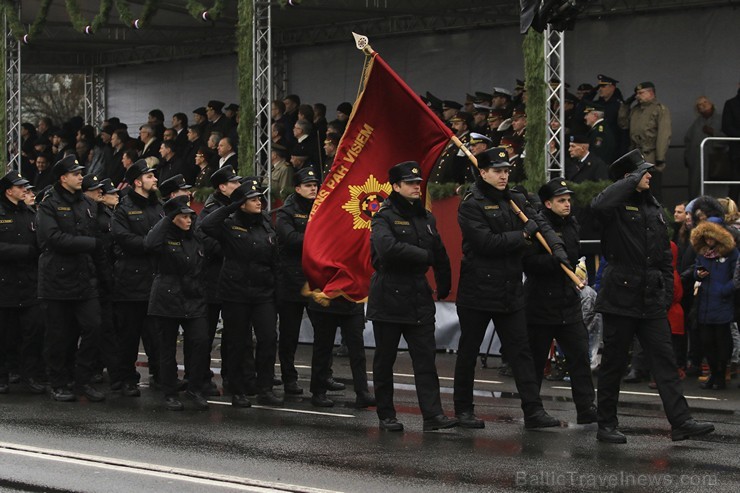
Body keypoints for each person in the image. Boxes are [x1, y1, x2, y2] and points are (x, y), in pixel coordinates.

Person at [590, 149, 715, 443]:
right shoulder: (615, 206)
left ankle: (681, 422)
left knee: (665, 362)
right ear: (628, 178)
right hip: (620, 295)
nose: (649, 175)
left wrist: (666, 291)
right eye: (642, 172)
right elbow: (598, 206)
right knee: (614, 363)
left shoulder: (653, 207)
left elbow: (662, 254)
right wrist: (630, 180)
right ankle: (606, 423)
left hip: (651, 298)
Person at [454, 148, 565, 430]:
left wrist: (557, 248)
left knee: (521, 352)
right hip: (478, 289)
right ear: (483, 172)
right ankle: (463, 409)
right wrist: (522, 235)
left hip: (510, 289)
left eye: (506, 170)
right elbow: (486, 243)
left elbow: (540, 224)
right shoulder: (471, 204)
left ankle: (533, 410)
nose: (504, 175)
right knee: (468, 351)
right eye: (497, 170)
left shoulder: (515, 199)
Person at [367, 161, 457, 432]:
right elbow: (386, 249)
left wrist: (444, 284)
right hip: (390, 293)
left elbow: (439, 252)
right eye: (410, 183)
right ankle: (386, 415)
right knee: (385, 359)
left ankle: (433, 415)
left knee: (425, 358)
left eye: (418, 183)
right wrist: (422, 256)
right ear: (395, 186)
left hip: (418, 295)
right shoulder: (383, 215)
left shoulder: (426, 217)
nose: (417, 187)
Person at [200, 178, 282, 408]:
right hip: (235, 291)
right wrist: (231, 206)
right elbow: (206, 226)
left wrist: (276, 287)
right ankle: (237, 390)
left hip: (263, 290)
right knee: (237, 342)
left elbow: (275, 256)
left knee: (268, 338)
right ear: (241, 203)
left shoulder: (265, 222)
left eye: (259, 198)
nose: (259, 202)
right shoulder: (228, 223)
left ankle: (264, 387)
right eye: (253, 199)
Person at [524, 179, 597, 423]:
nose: (567, 205)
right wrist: (552, 262)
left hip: (567, 301)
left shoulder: (572, 224)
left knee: (579, 356)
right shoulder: (536, 226)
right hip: (540, 302)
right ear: (547, 203)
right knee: (535, 361)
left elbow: (573, 257)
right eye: (561, 201)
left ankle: (586, 408)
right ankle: (533, 410)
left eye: (568, 200)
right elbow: (527, 263)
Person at [36, 155, 107, 402]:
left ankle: (82, 378)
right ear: (63, 177)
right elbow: (51, 239)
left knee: (93, 327)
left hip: (84, 278)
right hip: (57, 279)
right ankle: (58, 381)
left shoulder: (86, 204)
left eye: (80, 173)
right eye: (76, 173)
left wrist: (102, 276)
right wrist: (89, 244)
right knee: (59, 335)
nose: (80, 177)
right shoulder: (49, 205)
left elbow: (97, 241)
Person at [145, 196, 210, 411]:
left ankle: (195, 388)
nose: (189, 220)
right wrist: (167, 219)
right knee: (167, 348)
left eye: (190, 216)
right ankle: (169, 391)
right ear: (173, 219)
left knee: (200, 341)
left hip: (193, 297)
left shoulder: (195, 237)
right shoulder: (164, 236)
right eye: (183, 217)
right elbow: (149, 243)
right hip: (167, 297)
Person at [111, 159, 163, 394]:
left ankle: (162, 376)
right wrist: (149, 244)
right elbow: (123, 238)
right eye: (150, 176)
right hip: (130, 281)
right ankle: (124, 379)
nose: (154, 179)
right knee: (129, 335)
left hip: (154, 280)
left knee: (157, 335)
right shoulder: (123, 208)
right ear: (137, 181)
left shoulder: (157, 206)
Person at [274, 168, 318, 397]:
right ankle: (289, 378)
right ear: (297, 188)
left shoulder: (321, 208)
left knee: (323, 331)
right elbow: (289, 239)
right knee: (289, 333)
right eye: (308, 185)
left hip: (315, 279)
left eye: (315, 184)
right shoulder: (286, 212)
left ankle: (324, 376)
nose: (313, 188)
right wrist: (317, 240)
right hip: (291, 279)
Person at [0, 171, 45, 395]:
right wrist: (24, 251)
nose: (25, 190)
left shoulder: (29, 213)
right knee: (5, 334)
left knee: (31, 332)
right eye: (19, 187)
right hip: (5, 283)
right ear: (9, 191)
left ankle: (30, 375)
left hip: (28, 282)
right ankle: (2, 376)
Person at [690, 218, 737, 390]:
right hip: (706, 301)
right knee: (707, 342)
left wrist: (724, 290)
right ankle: (713, 375)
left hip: (722, 302)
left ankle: (720, 376)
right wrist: (698, 274)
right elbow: (696, 269)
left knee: (722, 342)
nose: (709, 241)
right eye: (706, 238)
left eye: (711, 238)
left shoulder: (731, 254)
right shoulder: (702, 252)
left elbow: (736, 278)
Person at [618, 82, 672, 200]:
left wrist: (660, 157)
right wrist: (625, 105)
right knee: (635, 188)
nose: (638, 96)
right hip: (635, 153)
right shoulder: (635, 110)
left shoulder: (659, 109)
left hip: (650, 154)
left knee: (653, 189)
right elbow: (623, 123)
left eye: (641, 93)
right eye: (636, 93)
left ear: (651, 93)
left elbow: (664, 134)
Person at [684, 96, 726, 199]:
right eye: (699, 104)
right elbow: (688, 140)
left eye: (705, 102)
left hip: (716, 161)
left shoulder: (721, 119)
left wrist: (713, 133)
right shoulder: (696, 123)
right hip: (697, 161)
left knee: (716, 190)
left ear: (711, 104)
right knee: (696, 187)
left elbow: (728, 137)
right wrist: (688, 158)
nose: (702, 105)